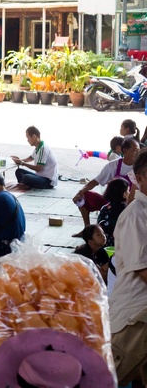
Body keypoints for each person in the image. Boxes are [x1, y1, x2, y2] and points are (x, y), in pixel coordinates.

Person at [109, 149, 147, 387]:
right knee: (105, 381)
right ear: (139, 179)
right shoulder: (136, 215)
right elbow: (144, 272)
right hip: (133, 319)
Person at [73, 137, 137, 226]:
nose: (138, 153)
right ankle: (87, 228)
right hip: (110, 202)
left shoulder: (140, 168)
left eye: (139, 150)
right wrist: (81, 191)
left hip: (130, 204)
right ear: (125, 151)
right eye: (135, 150)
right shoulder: (113, 165)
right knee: (85, 196)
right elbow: (96, 181)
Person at [96, 178, 129, 248]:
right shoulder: (126, 210)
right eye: (128, 191)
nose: (129, 193)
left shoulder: (104, 208)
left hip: (102, 243)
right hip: (118, 244)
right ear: (124, 194)